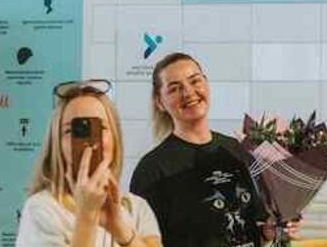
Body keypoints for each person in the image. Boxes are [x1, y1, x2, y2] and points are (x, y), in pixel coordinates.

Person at [130, 52, 300, 247]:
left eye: (195, 81)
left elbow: (254, 228)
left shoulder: (238, 151)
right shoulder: (152, 170)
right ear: (160, 102)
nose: (188, 92)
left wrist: (269, 232)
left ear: (206, 83)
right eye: (175, 88)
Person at [17, 79, 162, 247]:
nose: (87, 143)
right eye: (72, 130)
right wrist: (86, 216)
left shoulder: (136, 208)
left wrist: (119, 229)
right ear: (57, 144)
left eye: (99, 128)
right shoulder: (41, 209)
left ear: (115, 138)